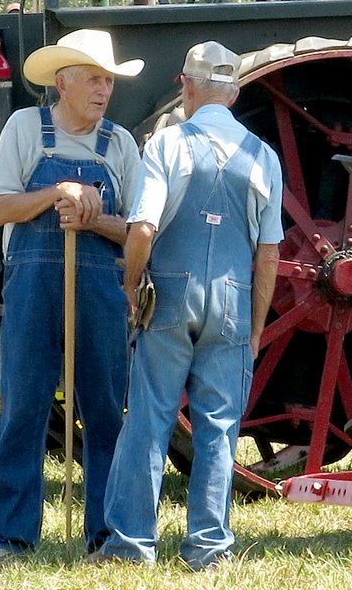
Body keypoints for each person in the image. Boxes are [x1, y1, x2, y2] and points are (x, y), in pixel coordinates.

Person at [91, 40, 283, 570]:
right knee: (219, 426)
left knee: (149, 418)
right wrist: (256, 327)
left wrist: (132, 286)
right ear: (237, 92)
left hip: (170, 297)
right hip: (232, 302)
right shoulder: (263, 155)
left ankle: (131, 544)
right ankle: (209, 547)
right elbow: (268, 256)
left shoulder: (167, 144)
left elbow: (142, 229)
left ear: (187, 85)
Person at [0, 28, 144, 567]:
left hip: (100, 285)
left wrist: (98, 220)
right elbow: (0, 210)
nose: (104, 89)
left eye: (108, 80)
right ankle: (10, 537)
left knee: (105, 410)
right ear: (62, 82)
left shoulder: (121, 144)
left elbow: (139, 231)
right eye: (94, 78)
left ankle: (108, 535)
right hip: (32, 286)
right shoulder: (26, 129)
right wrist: (58, 193)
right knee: (22, 406)